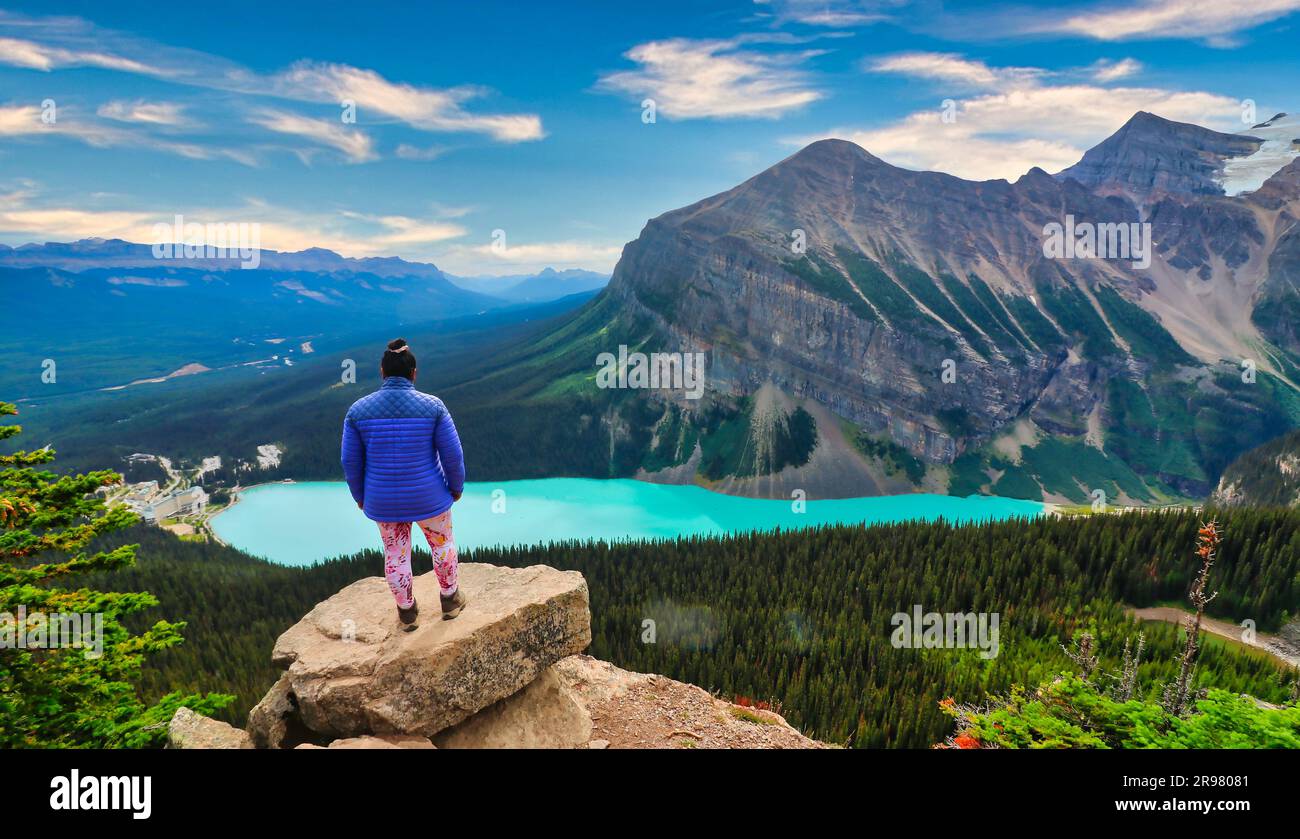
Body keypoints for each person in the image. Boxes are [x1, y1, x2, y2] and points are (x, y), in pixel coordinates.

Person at [341, 338, 467, 628]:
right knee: (442, 544)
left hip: (382, 501)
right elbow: (453, 455)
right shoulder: (433, 407)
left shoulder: (357, 411)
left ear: (382, 372)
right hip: (430, 497)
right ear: (414, 373)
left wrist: (360, 497)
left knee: (395, 554)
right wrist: (456, 487)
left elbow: (350, 463)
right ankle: (450, 600)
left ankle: (407, 613)